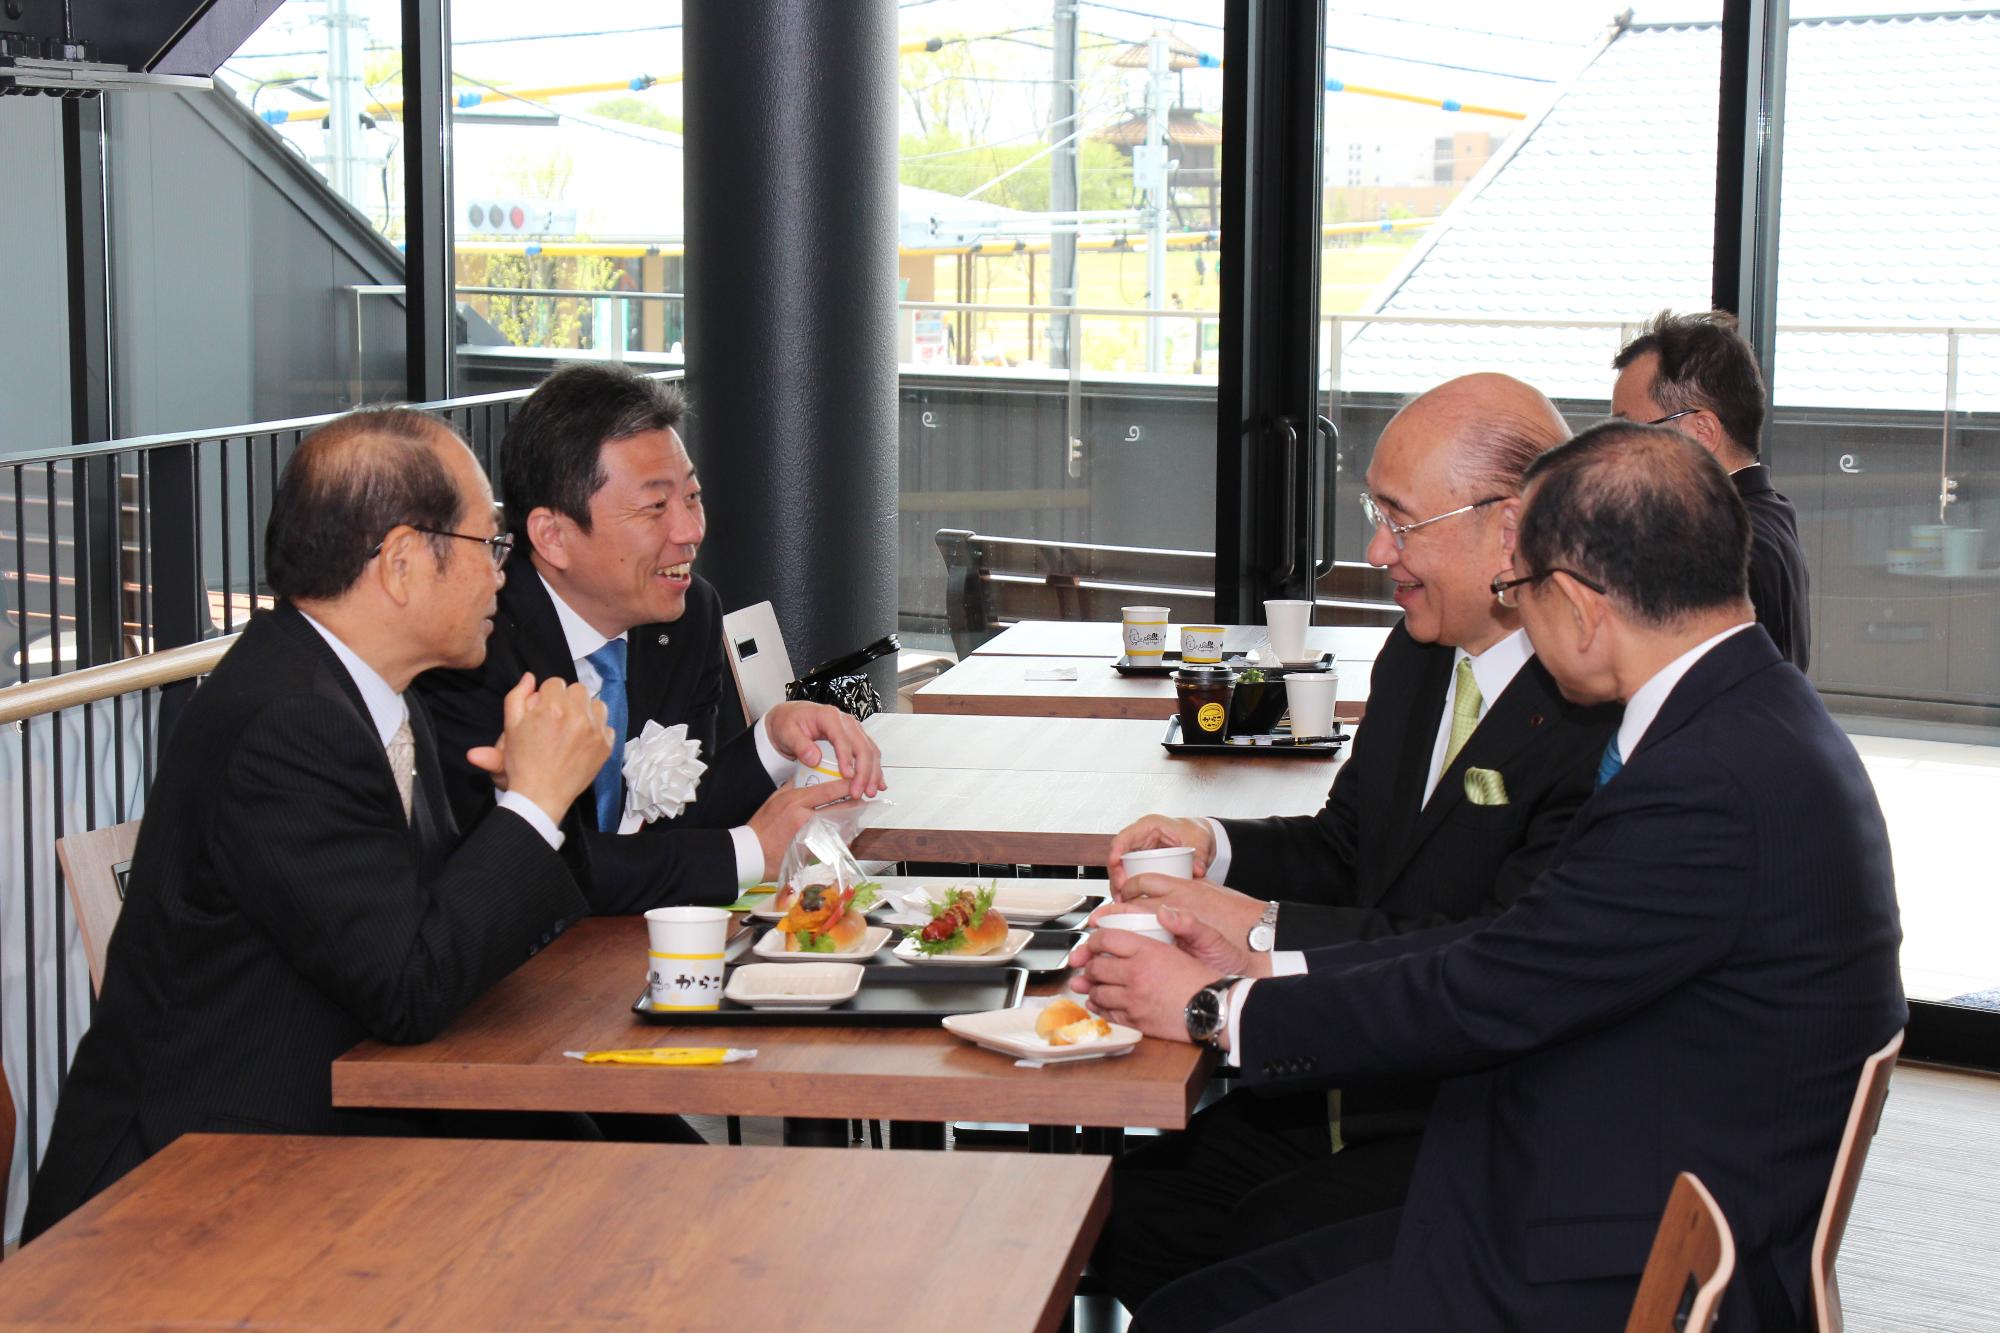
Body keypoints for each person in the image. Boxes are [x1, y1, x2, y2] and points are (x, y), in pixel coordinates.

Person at [1074, 421, 1904, 1331]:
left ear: (1583, 606)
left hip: (1619, 1256)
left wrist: (1215, 1008)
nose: (1514, 615)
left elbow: (1487, 988)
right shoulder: (1748, 718)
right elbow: (1514, 953)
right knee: (1199, 1296)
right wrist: (1253, 960)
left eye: (1519, 589)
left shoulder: (1709, 783)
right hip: (1585, 1175)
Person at [1090, 373, 1620, 1309]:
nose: (1376, 550)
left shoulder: (1592, 712)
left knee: (1232, 1256)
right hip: (1337, 1073)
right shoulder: (1418, 651)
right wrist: (1211, 847)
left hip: (1456, 1116)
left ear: (1510, 525)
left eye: (1400, 520)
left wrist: (1254, 936)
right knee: (1117, 1214)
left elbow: (1485, 954)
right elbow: (1349, 845)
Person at [24, 408, 611, 1240]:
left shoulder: (368, 689)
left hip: (318, 1142)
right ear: (404, 563)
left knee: (619, 1188)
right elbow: (410, 988)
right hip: (181, 1198)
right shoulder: (290, 723)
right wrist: (535, 803)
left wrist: (521, 797)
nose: (502, 578)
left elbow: (423, 939)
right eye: (491, 546)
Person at [418, 364, 884, 914]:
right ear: (553, 537)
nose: (690, 531)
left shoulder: (687, 618)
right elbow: (540, 872)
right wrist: (751, 851)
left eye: (692, 497)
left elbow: (684, 813)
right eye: (655, 507)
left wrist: (773, 742)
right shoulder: (473, 646)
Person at [1613, 309, 1811, 670]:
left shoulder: (1712, 545)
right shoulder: (1770, 516)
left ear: (1703, 431)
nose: (1615, 448)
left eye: (1629, 430)